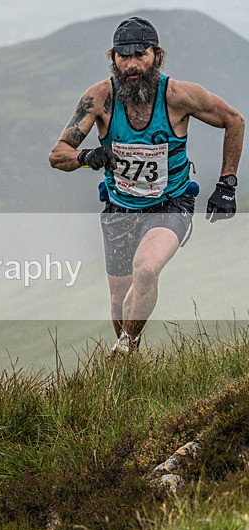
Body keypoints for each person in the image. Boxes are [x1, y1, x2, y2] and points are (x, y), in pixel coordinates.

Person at [48, 16, 244, 356]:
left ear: (157, 56)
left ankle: (125, 346)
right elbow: (58, 154)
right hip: (119, 207)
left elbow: (234, 120)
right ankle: (131, 358)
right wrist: (88, 156)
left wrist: (227, 182)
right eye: (123, 56)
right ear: (113, 59)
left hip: (170, 203)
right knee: (117, 299)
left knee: (147, 269)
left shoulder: (178, 96)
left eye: (140, 54)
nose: (132, 65)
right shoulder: (99, 98)